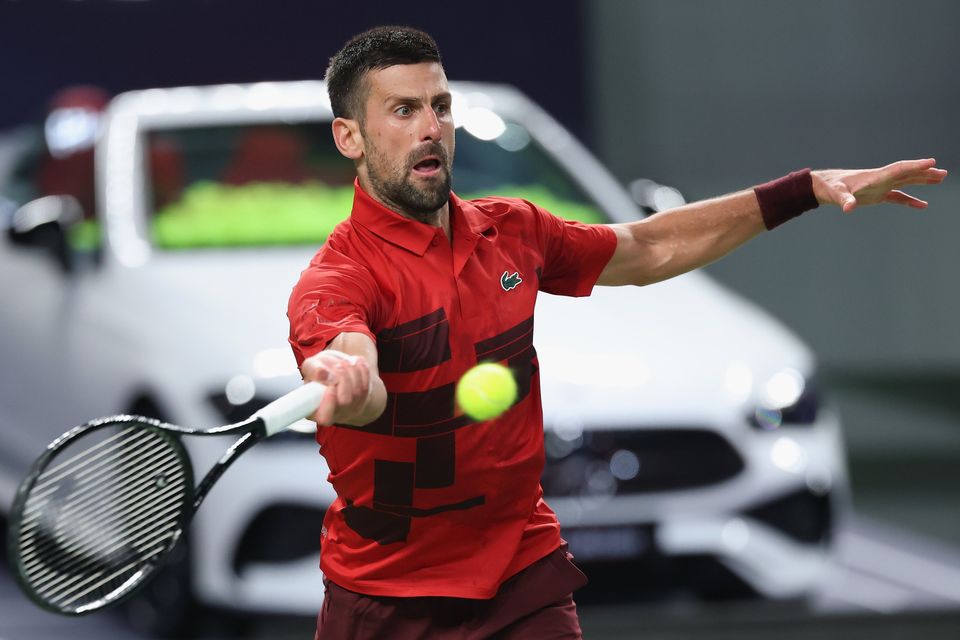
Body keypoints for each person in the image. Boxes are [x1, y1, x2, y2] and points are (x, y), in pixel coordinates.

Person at [287, 26, 947, 640]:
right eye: (403, 111)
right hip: (386, 599)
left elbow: (649, 246)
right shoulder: (337, 279)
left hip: (519, 572)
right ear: (350, 137)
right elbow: (351, 355)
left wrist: (803, 189)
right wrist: (351, 377)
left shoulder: (510, 230)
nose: (431, 128)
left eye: (440, 105)